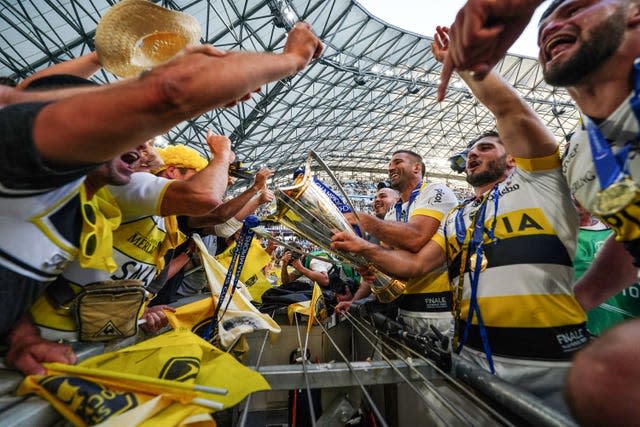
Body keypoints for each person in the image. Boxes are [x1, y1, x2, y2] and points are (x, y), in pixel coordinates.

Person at [0, 22, 323, 373]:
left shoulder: (88, 194)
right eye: (122, 129)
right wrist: (292, 59)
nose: (142, 146)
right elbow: (167, 95)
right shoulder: (24, 161)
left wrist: (19, 335)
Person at [331, 27, 588, 412]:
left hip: (548, 361)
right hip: (471, 361)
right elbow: (415, 264)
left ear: (513, 157)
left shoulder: (541, 183)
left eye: (485, 148)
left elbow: (511, 111)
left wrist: (467, 66)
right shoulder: (458, 215)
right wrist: (364, 248)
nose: (472, 155)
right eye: (469, 152)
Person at [343, 151, 458, 336]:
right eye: (389, 164)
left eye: (397, 162)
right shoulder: (391, 213)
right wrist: (373, 266)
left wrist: (366, 222)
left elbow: (416, 238)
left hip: (441, 310)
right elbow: (390, 262)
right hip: (405, 310)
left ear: (416, 167)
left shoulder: (435, 191)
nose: (390, 168)